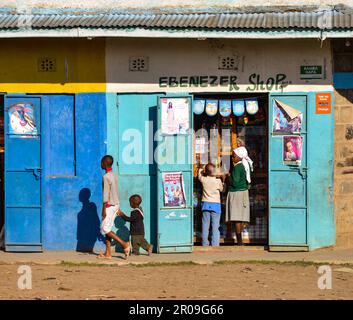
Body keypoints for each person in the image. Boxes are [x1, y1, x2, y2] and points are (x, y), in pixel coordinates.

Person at [98, 155, 130, 259]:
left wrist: (104, 209)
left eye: (101, 162)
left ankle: (124, 244)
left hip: (109, 205)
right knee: (108, 228)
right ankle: (108, 253)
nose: (100, 164)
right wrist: (117, 206)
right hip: (115, 204)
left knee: (105, 229)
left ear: (104, 163)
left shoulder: (106, 177)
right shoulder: (115, 175)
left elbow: (106, 194)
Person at [226, 147, 253, 246]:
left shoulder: (238, 167)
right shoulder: (244, 165)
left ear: (240, 157)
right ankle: (240, 240)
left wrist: (228, 177)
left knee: (237, 218)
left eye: (234, 156)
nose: (232, 158)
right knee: (239, 218)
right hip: (243, 193)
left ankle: (239, 242)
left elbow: (235, 182)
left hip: (237, 193)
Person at [198, 163, 224, 246]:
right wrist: (223, 181)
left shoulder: (204, 179)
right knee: (215, 226)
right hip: (216, 204)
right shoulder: (217, 181)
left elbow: (199, 175)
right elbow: (222, 189)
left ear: (206, 172)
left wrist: (201, 169)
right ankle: (215, 244)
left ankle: (205, 243)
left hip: (205, 203)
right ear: (214, 172)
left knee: (205, 225)